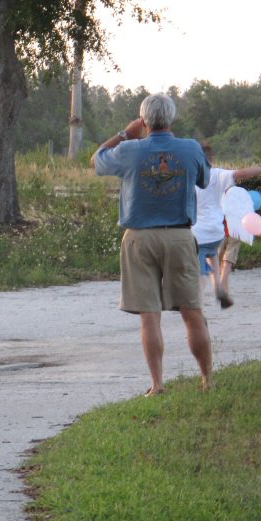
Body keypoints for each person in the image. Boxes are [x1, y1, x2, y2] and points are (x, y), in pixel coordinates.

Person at [92, 92, 213, 396]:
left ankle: (157, 384)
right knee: (192, 311)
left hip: (139, 238)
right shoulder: (190, 149)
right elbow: (204, 181)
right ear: (172, 119)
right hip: (180, 235)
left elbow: (97, 161)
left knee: (149, 315)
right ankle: (207, 380)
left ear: (143, 121)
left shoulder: (130, 150)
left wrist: (124, 134)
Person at [193, 145, 261, 308]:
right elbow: (244, 173)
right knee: (212, 253)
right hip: (215, 231)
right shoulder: (218, 174)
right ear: (211, 160)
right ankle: (219, 288)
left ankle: (199, 301)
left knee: (200, 267)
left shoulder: (189, 177)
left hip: (196, 233)